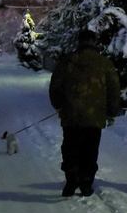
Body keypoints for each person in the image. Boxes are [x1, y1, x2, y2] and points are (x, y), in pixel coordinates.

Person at [48, 30, 121, 197]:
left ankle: (71, 179)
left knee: (70, 148)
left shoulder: (67, 61)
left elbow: (55, 86)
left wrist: (59, 106)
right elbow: (114, 89)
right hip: (95, 116)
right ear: (94, 42)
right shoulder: (104, 63)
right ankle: (86, 182)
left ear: (79, 42)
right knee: (90, 149)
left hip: (71, 116)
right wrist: (112, 112)